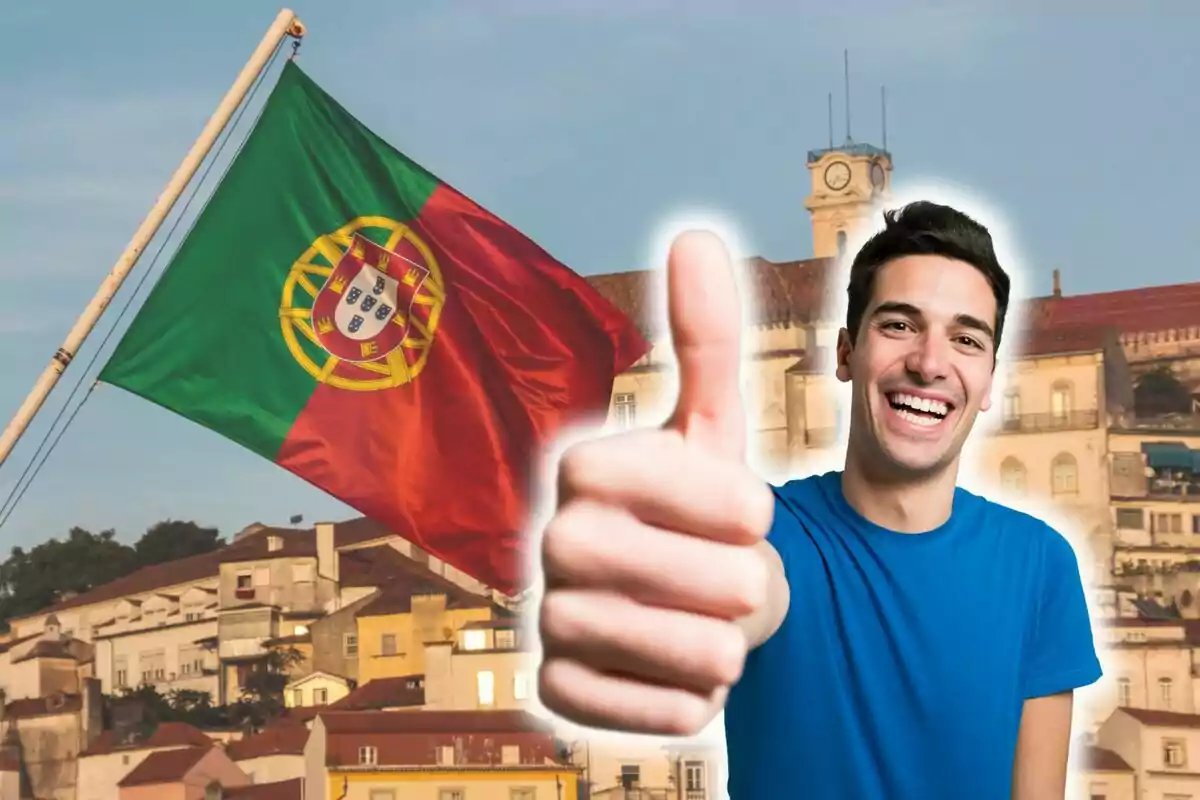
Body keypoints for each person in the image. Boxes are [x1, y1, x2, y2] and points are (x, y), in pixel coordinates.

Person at [535, 200, 1103, 798]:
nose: (930, 363)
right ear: (844, 354)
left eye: (965, 338)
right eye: (899, 325)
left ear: (988, 379)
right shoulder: (761, 530)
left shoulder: (1040, 563)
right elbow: (749, 586)